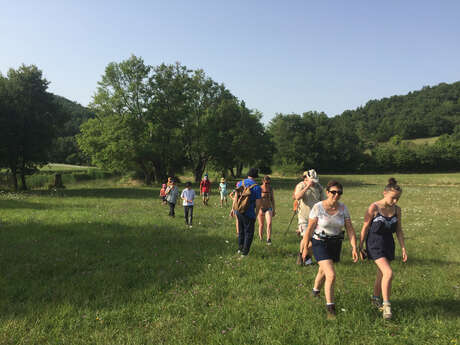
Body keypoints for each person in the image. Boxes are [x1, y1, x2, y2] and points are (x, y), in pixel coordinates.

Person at [301, 180, 358, 319]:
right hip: (320, 242)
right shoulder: (318, 207)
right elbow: (309, 229)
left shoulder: (343, 208)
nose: (336, 195)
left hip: (335, 243)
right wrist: (304, 248)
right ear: (327, 192)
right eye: (333, 192)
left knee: (323, 270)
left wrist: (354, 247)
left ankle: (315, 292)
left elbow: (350, 229)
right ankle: (330, 308)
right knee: (331, 274)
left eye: (339, 193)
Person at [359, 178, 407, 320]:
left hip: (388, 243)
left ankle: (375, 298)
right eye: (393, 198)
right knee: (388, 272)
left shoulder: (397, 210)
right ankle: (386, 306)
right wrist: (359, 246)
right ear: (384, 193)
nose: (395, 201)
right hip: (374, 243)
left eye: (397, 198)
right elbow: (365, 228)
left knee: (382, 274)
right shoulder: (374, 207)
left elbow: (399, 230)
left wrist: (403, 248)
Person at [295, 170, 326, 265]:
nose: (313, 182)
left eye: (315, 180)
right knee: (306, 239)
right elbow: (297, 197)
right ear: (307, 178)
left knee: (312, 241)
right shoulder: (301, 185)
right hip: (304, 217)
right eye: (312, 180)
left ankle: (305, 257)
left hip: (316, 218)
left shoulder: (319, 187)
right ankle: (304, 258)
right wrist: (307, 186)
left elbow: (324, 201)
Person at [235, 168, 262, 257]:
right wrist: (256, 214)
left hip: (239, 210)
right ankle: (245, 253)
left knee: (241, 230)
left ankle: (240, 248)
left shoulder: (240, 183)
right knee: (249, 233)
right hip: (249, 212)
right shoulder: (257, 187)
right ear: (255, 176)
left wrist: (234, 209)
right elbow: (258, 203)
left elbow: (236, 197)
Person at [258, 175, 275, 245]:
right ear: (263, 181)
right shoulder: (259, 188)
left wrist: (274, 209)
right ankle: (261, 238)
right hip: (261, 208)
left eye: (268, 183)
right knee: (261, 225)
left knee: (269, 223)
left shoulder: (270, 189)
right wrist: (258, 209)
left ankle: (268, 239)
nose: (267, 184)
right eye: (266, 183)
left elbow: (272, 199)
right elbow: (257, 200)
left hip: (269, 208)